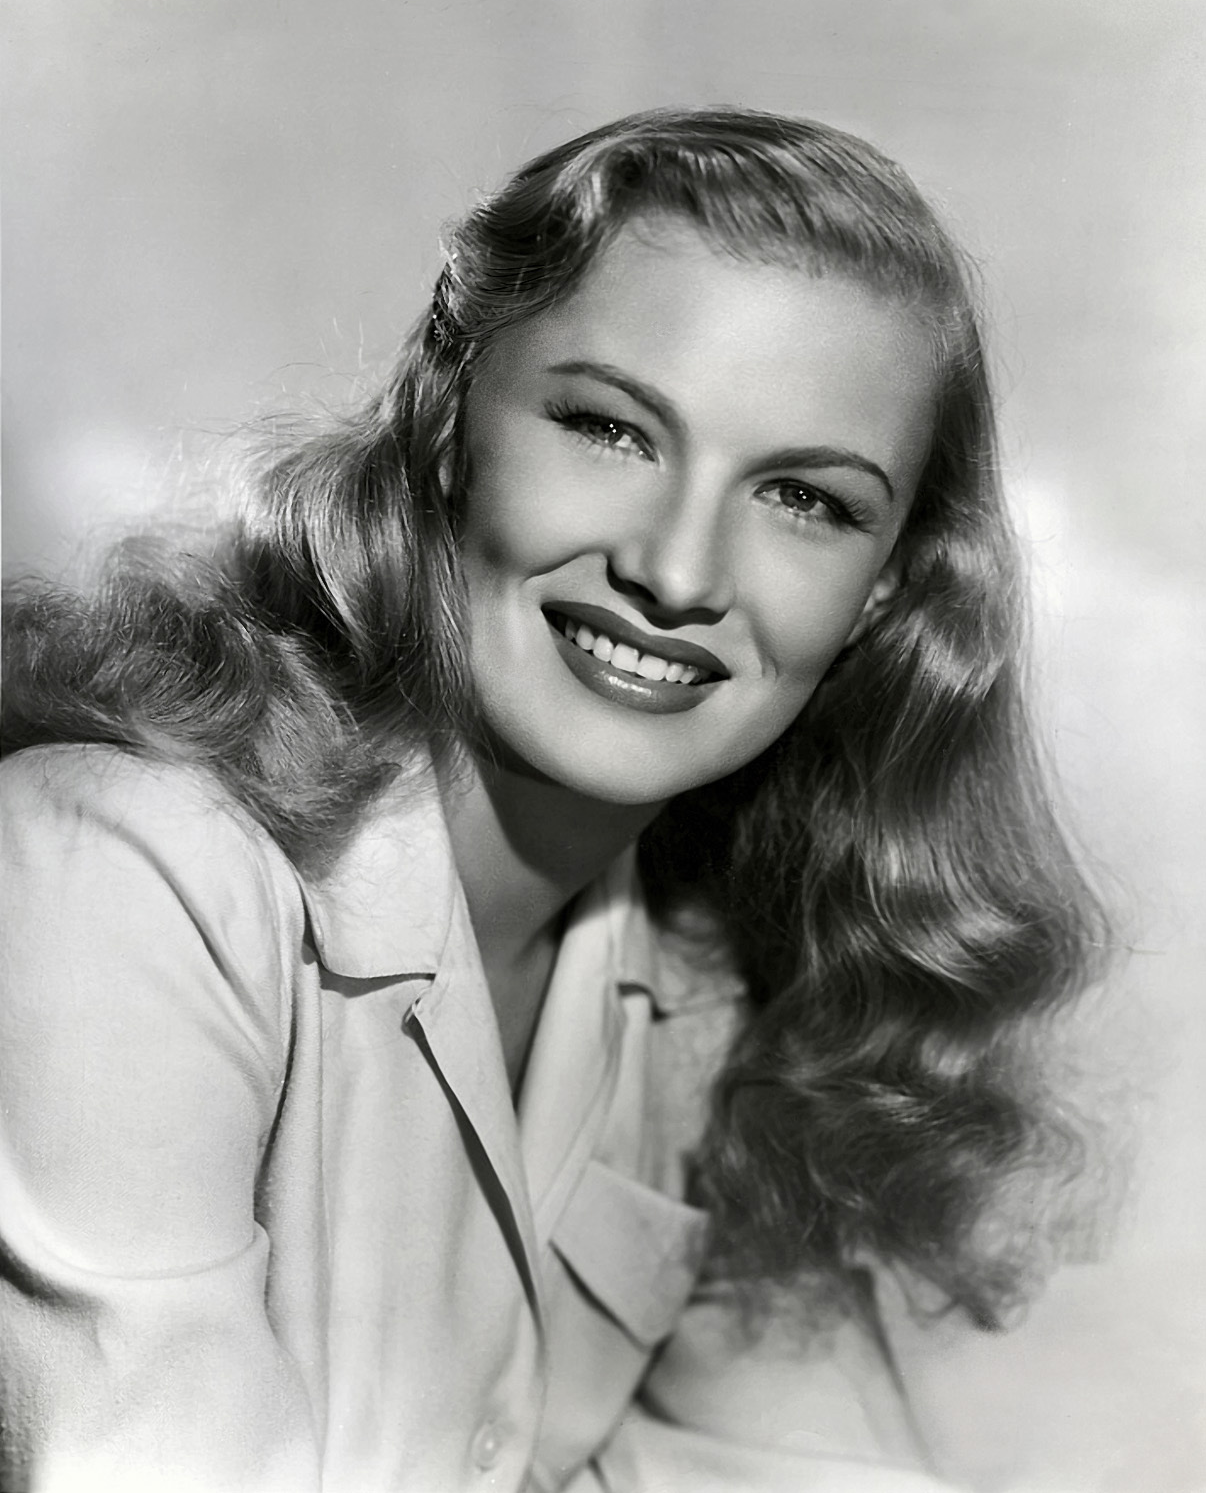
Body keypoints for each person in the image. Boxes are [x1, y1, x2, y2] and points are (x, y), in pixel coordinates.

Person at [0, 107, 1107, 1492]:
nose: (678, 573)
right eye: (609, 429)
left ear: (880, 591)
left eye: (805, 500)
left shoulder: (705, 994)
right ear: (447, 421)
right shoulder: (117, 872)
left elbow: (789, 1464)